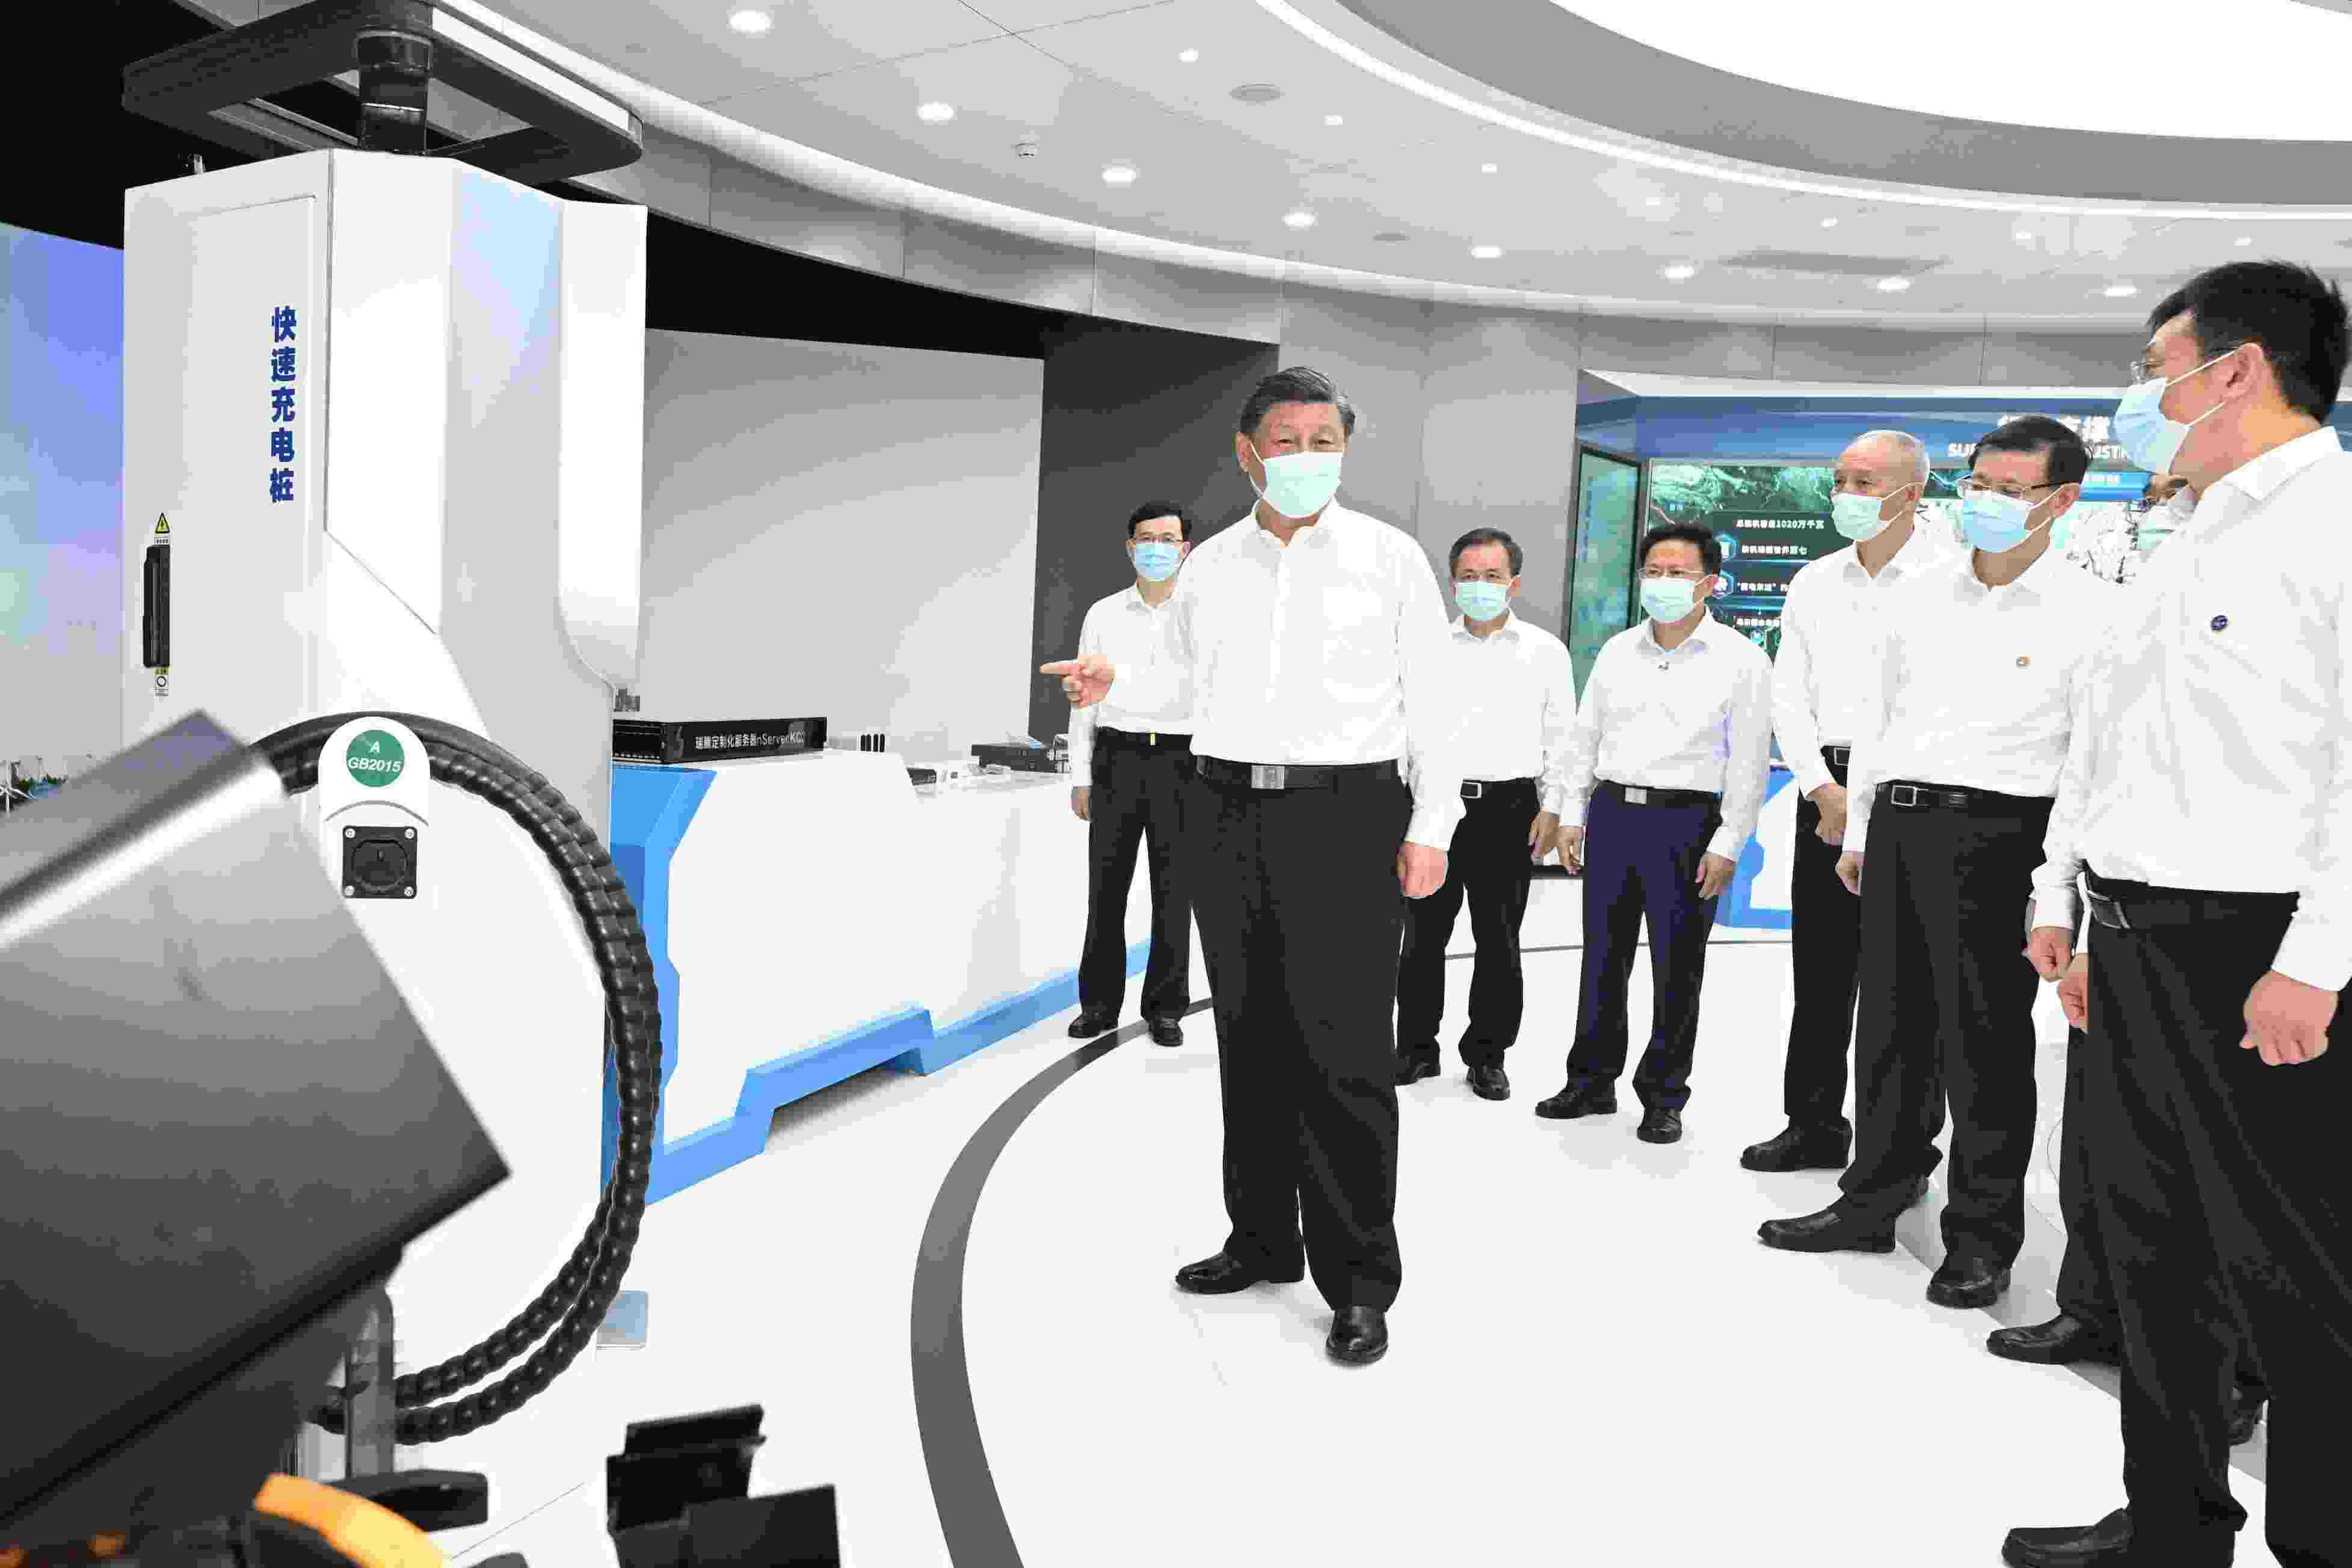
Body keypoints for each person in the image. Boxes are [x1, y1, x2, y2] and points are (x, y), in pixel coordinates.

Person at [2001, 260, 2352, 1568]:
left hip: (2262, 954)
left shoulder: (2333, 524)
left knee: (2299, 1273)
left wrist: (2315, 961)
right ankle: (2170, 1525)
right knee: (2151, 1250)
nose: (2140, 396)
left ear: (2236, 368)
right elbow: (2107, 742)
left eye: (2155, 368)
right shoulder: (2181, 534)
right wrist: (2065, 896)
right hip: (2132, 938)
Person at [1040, 366, 1463, 1368]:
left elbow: (1436, 701)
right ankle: (1263, 1237)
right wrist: (1114, 679)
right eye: (1287, 441)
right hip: (1222, 807)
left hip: (1348, 813)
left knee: (1345, 1053)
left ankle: (1359, 1281)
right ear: (1246, 452)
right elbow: (1184, 680)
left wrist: (1433, 823)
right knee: (1250, 1037)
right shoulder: (1212, 567)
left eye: (1326, 442)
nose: (1307, 458)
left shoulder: (1390, 559)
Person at [1758, 416, 2116, 1314]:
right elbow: (1876, 724)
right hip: (1901, 826)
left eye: (2011, 490)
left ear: (2061, 501)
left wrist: (2055, 892)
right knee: (1888, 1029)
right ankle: (1871, 1196)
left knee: (1983, 1044)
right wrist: (1859, 834)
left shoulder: (2091, 612)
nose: (1985, 503)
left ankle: (1981, 1238)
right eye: (1978, 485)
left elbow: (2087, 764)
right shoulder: (1919, 595)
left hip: (2005, 835)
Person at [1744, 430, 1954, 1173]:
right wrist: (1820, 787)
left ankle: (1902, 1148)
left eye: (1865, 483)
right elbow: (1788, 693)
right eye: (1840, 480)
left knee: (1910, 987)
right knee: (1821, 971)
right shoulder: (1815, 581)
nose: (1846, 495)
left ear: (1912, 493)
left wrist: (1861, 794)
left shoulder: (1952, 576)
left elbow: (1936, 700)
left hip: (1910, 793)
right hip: (1825, 791)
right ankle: (1812, 1124)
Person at [1537, 524, 1772, 1145]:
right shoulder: (1618, 651)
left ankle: (1664, 1095)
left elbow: (1749, 762)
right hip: (1615, 813)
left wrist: (1728, 842)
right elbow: (1584, 737)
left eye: (1678, 572)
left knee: (1677, 967)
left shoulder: (1742, 661)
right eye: (1654, 571)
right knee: (1601, 957)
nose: (1662, 583)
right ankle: (1590, 1080)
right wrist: (1571, 813)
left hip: (1687, 823)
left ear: (1710, 582)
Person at [1996, 924, 2268, 1448]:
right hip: (2125, 922)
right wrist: (2086, 939)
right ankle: (2095, 1310)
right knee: (2098, 1122)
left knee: (2227, 1150)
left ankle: (2238, 1367)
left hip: (2246, 922)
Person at [1394, 528, 1576, 1102]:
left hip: (1508, 809)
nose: (1480, 586)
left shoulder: (1545, 651)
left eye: (1492, 576)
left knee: (1499, 940)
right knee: (1422, 937)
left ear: (1513, 584)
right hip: (1433, 808)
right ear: (1452, 584)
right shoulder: (1426, 647)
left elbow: (1561, 738)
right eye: (1469, 576)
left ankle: (1488, 1054)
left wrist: (1554, 806)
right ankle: (1415, 1047)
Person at [1065, 502, 1198, 1047]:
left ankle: (1166, 1008)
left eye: (1168, 539)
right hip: (1116, 758)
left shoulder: (1200, 614)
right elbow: (1083, 700)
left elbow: (1198, 689)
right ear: (1129, 547)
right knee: (1106, 889)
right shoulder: (1103, 615)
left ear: (1186, 548)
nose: (1157, 548)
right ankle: (1098, 1005)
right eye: (1147, 538)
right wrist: (1081, 774)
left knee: (1174, 891)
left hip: (1181, 761)